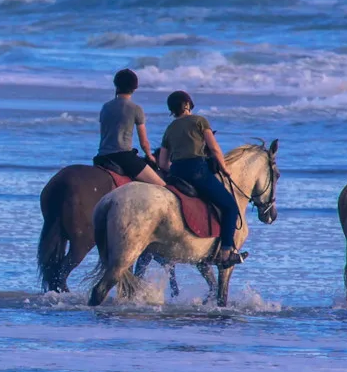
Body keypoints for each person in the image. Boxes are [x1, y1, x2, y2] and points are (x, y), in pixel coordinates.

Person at [156, 90, 244, 267]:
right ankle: (226, 252)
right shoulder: (199, 121)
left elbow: (163, 163)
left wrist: (174, 169)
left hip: (176, 174)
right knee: (229, 206)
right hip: (197, 170)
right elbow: (214, 148)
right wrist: (225, 169)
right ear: (187, 105)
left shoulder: (170, 128)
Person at [93, 69, 165, 185]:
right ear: (134, 88)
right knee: (162, 185)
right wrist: (149, 156)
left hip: (102, 156)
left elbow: (104, 134)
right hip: (123, 157)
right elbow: (144, 142)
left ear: (116, 85)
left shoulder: (105, 107)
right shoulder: (136, 109)